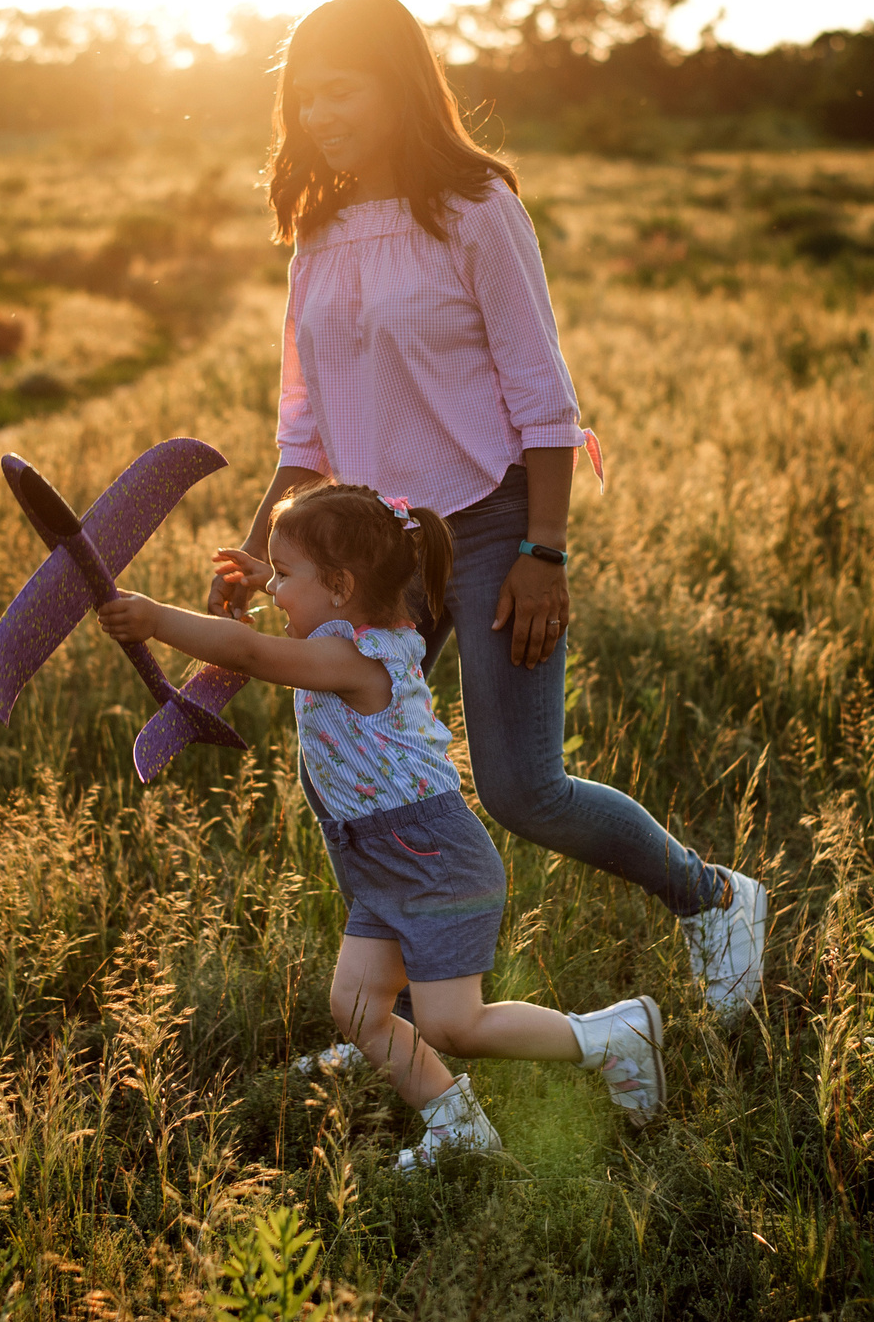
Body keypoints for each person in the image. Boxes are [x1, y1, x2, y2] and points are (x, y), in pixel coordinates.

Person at [209, 0, 766, 1017]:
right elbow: (304, 430)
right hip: (372, 552)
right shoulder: (317, 233)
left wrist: (544, 551)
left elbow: (542, 397)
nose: (322, 116)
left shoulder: (476, 209)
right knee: (355, 770)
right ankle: (392, 1020)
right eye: (306, 98)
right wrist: (259, 558)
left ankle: (714, 897)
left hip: (492, 524)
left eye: (343, 91)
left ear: (398, 87)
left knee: (523, 789)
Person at [98, 480, 666, 1168]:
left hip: (432, 856)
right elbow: (291, 616)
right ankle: (455, 1125)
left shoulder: (357, 659)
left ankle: (609, 1037)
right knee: (360, 1009)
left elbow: (249, 654)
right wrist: (273, 578)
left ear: (341, 587)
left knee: (453, 1024)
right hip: (385, 857)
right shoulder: (348, 628)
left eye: (284, 576)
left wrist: (154, 617)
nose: (272, 590)